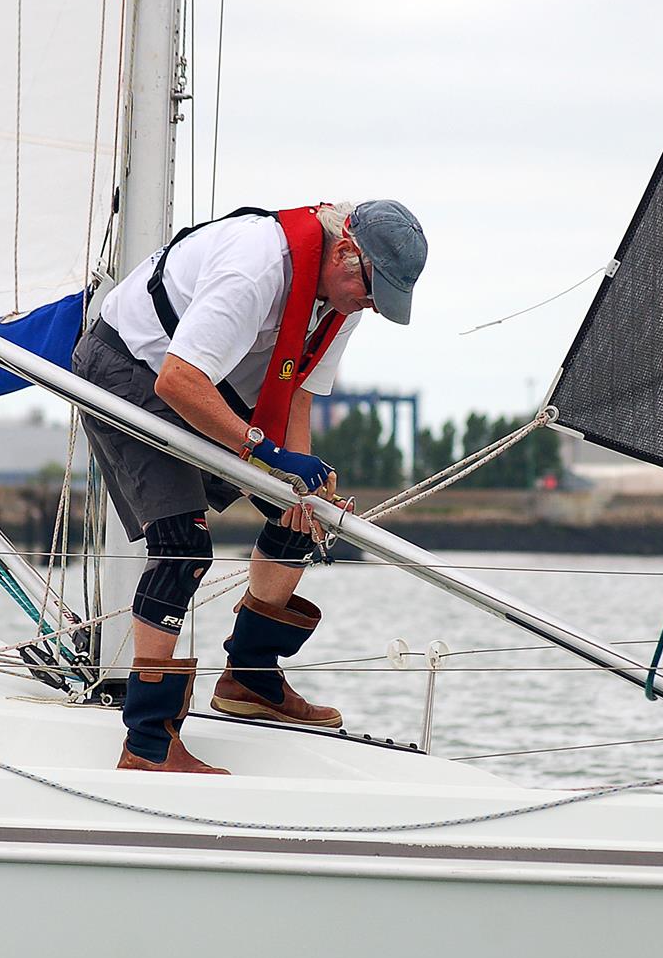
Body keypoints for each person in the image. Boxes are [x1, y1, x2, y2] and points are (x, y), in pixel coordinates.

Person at [72, 200, 427, 774]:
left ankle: (250, 677)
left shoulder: (344, 299)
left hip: (207, 384)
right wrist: (264, 450)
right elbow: (178, 379)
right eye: (371, 291)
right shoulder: (254, 268)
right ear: (345, 252)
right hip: (130, 369)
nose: (371, 305)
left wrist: (297, 487)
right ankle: (147, 745)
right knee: (182, 546)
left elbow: (300, 397)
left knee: (299, 515)